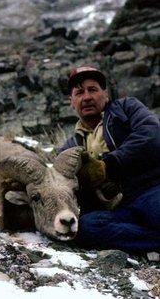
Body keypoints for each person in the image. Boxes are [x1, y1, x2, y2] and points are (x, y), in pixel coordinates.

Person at [58, 65, 160, 253]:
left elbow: (152, 135)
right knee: (86, 227)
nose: (87, 97)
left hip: (151, 190)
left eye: (93, 90)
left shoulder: (127, 108)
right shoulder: (70, 147)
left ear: (105, 94)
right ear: (71, 101)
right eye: (79, 92)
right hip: (120, 209)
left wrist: (108, 165)